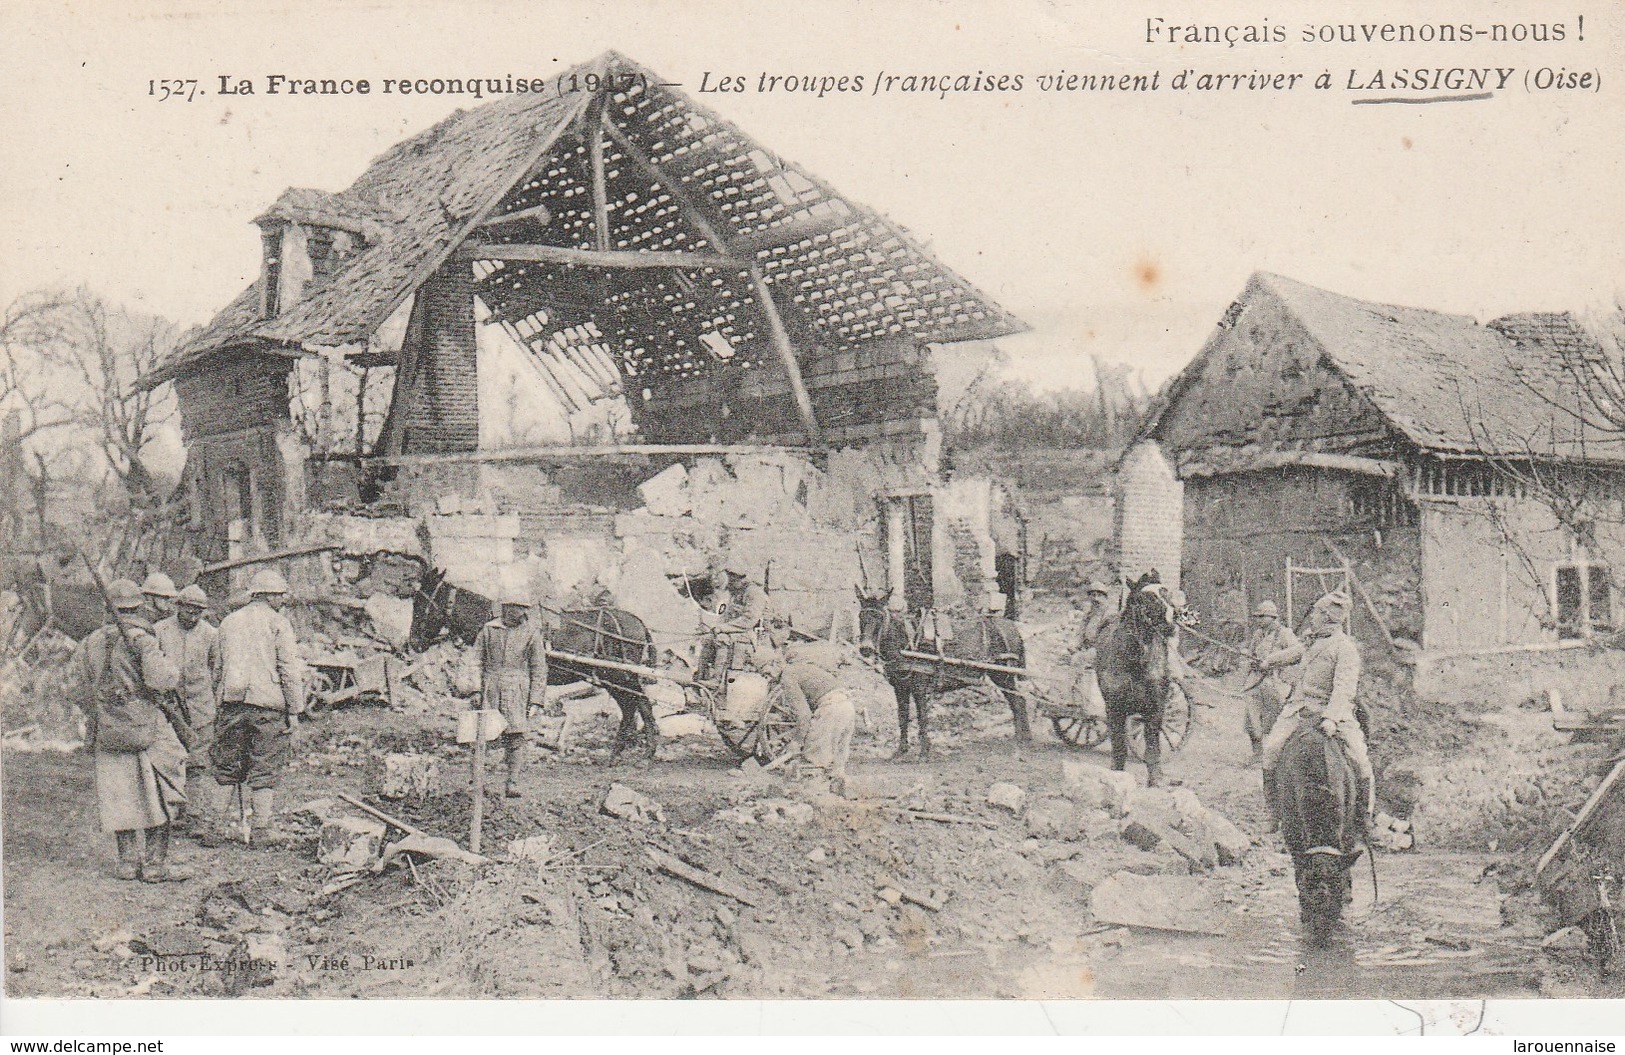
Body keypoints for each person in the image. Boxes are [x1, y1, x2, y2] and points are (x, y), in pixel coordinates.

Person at [76, 578, 189, 881]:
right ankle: (154, 865)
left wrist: (103, 706)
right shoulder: (143, 640)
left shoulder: (90, 643)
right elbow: (162, 680)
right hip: (146, 727)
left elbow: (76, 687)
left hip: (108, 729)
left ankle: (127, 863)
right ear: (139, 606)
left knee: (119, 794)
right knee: (164, 790)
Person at [1261, 590, 1375, 832]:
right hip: (1299, 708)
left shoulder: (1345, 649)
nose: (1311, 616)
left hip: (1332, 712)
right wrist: (1269, 661)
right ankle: (1273, 810)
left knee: (1359, 758)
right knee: (1271, 748)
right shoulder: (1312, 640)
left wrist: (1331, 719)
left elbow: (1344, 689)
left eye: (1315, 612)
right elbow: (1295, 653)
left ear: (1327, 617)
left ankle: (1364, 817)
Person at [212, 569, 306, 846]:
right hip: (268, 707)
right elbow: (289, 670)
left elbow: (218, 667)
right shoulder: (279, 624)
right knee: (264, 766)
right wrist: (294, 710)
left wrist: (220, 700)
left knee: (227, 766)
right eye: (279, 596)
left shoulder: (228, 622)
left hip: (232, 704)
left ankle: (214, 828)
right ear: (267, 595)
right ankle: (262, 831)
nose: (282, 601)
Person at [466, 585, 547, 797]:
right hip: (490, 687)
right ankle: (478, 781)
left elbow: (539, 668)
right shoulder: (488, 630)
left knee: (516, 735)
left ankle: (512, 782)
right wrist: (474, 689)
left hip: (517, 689)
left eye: (523, 609)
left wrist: (536, 700)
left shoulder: (531, 633)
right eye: (514, 608)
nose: (519, 613)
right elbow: (474, 660)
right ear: (505, 608)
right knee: (482, 734)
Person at [155, 583, 221, 831]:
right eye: (188, 610)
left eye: (198, 612)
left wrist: (210, 701)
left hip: (200, 708)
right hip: (168, 708)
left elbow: (216, 670)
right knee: (167, 759)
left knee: (198, 763)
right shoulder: (160, 631)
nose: (192, 616)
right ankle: (166, 813)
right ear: (178, 606)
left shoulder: (211, 635)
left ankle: (193, 814)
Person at [770, 648, 856, 798]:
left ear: (775, 664)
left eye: (766, 671)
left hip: (831, 709)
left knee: (813, 760)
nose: (768, 677)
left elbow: (804, 716)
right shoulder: (804, 667)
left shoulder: (788, 676)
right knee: (836, 764)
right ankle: (839, 802)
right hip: (847, 706)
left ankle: (814, 802)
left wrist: (796, 742)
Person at [1243, 600, 1303, 764]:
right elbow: (1251, 651)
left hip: (1276, 682)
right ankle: (1257, 754)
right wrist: (1251, 662)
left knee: (1277, 719)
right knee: (1251, 718)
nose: (1259, 620)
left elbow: (1297, 653)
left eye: (1262, 617)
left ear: (1272, 617)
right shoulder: (1258, 634)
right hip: (1256, 681)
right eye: (1258, 617)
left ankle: (1280, 755)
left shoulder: (1284, 633)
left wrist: (1273, 662)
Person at [696, 558, 768, 680]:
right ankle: (700, 676)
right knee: (707, 639)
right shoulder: (736, 593)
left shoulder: (754, 593)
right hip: (738, 631)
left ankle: (718, 679)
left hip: (753, 634)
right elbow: (726, 617)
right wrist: (713, 628)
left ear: (736, 578)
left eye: (730, 578)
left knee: (722, 639)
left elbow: (749, 620)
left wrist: (722, 628)